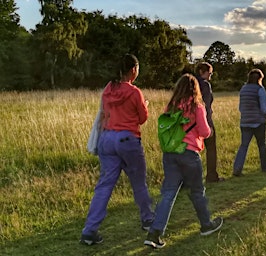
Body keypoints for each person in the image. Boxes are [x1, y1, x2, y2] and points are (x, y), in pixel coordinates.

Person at [80, 54, 154, 245]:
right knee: (138, 182)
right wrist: (145, 106)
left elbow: (105, 112)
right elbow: (141, 119)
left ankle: (90, 230)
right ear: (133, 70)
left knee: (104, 185)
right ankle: (147, 220)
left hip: (107, 138)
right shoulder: (135, 92)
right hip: (128, 139)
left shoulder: (108, 88)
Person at [144, 74, 223, 249]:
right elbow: (204, 132)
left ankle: (154, 232)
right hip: (189, 153)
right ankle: (206, 225)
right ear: (195, 89)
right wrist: (208, 131)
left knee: (168, 193)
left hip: (171, 153)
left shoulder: (170, 107)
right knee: (197, 192)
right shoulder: (197, 107)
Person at [233, 69, 266, 176]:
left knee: (244, 146)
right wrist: (265, 116)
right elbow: (264, 108)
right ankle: (265, 166)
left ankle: (237, 168)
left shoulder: (243, 89)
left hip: (245, 121)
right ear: (260, 78)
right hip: (258, 121)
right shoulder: (260, 89)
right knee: (261, 145)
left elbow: (240, 107)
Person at [195, 62, 224, 183]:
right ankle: (212, 175)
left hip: (190, 122)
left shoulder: (190, 83)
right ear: (202, 72)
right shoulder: (205, 85)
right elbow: (205, 105)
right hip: (204, 120)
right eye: (209, 73)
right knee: (211, 148)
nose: (210, 76)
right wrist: (208, 124)